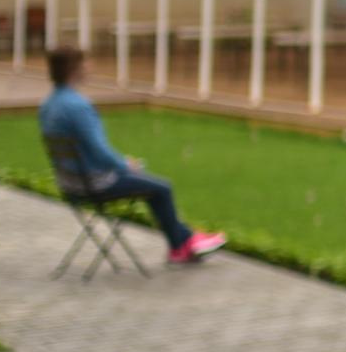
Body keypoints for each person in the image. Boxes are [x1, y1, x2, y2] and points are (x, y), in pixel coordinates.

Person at [38, 47, 224, 265]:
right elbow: (99, 152)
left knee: (150, 185)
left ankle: (184, 239)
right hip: (94, 184)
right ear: (74, 68)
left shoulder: (48, 105)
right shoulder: (78, 107)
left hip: (68, 184)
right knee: (161, 188)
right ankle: (181, 244)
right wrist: (126, 165)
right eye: (84, 63)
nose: (88, 67)